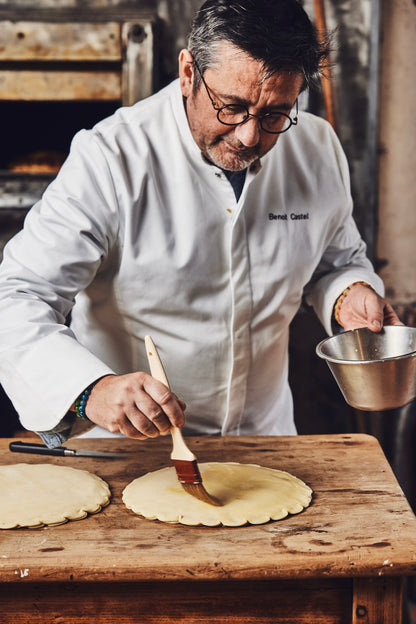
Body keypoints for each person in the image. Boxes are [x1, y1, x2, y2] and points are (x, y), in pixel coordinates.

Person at [0, 0, 401, 447]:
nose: (250, 136)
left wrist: (349, 293)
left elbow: (336, 261)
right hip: (130, 449)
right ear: (189, 73)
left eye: (274, 114)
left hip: (264, 441)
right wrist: (88, 390)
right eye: (231, 106)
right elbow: (18, 295)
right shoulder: (111, 158)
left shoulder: (316, 148)